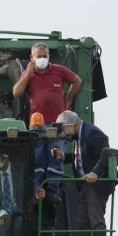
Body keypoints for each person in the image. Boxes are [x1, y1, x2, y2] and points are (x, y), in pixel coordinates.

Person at [12, 43, 82, 205]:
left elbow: (76, 80)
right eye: (39, 56)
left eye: (45, 56)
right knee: (37, 158)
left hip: (57, 125)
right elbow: (16, 92)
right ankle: (36, 190)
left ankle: (52, 191)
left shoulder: (59, 70)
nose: (42, 59)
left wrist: (68, 98)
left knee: (55, 156)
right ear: (32, 58)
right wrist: (28, 74)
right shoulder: (28, 74)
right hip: (37, 125)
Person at [52, 110, 118, 236]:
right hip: (85, 184)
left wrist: (95, 173)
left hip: (97, 184)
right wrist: (64, 157)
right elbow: (80, 157)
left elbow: (107, 155)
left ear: (73, 125)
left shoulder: (92, 134)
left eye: (64, 128)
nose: (64, 133)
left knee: (96, 220)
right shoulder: (78, 136)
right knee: (82, 221)